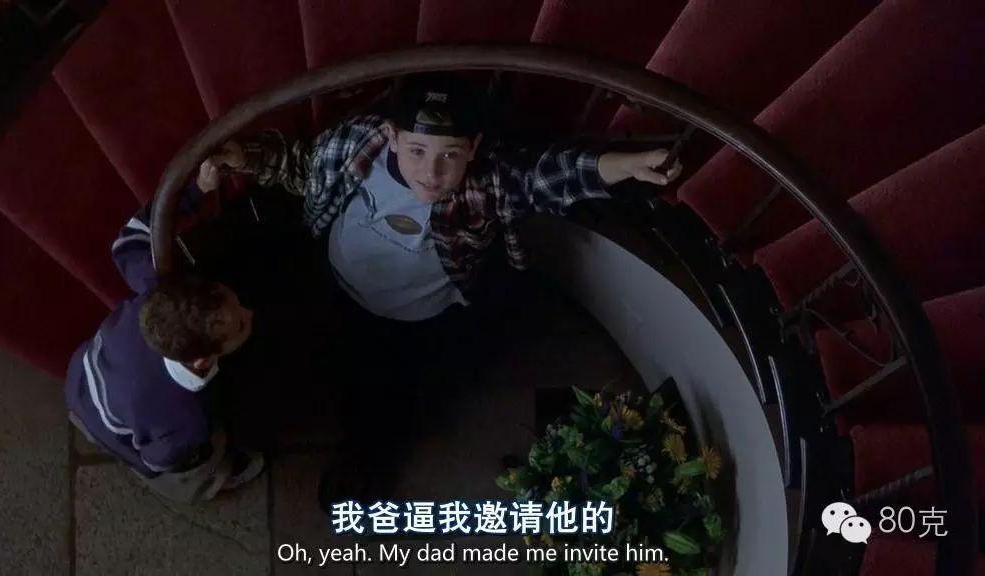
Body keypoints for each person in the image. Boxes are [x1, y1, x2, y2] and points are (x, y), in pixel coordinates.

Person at [202, 73, 683, 509]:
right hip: (341, 285)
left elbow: (545, 178)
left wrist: (626, 164)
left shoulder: (484, 183)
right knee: (340, 351)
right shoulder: (358, 146)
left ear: (473, 148)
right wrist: (243, 158)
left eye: (449, 154)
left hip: (419, 319)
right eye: (416, 151)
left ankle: (366, 461)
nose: (431, 172)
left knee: (391, 391)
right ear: (392, 136)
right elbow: (302, 165)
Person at [64, 154, 265, 504]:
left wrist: (197, 189)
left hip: (80, 380)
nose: (250, 312)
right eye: (240, 326)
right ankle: (214, 480)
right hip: (133, 428)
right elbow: (159, 458)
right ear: (202, 360)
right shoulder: (184, 420)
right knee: (194, 465)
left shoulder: (155, 288)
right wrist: (193, 457)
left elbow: (130, 238)